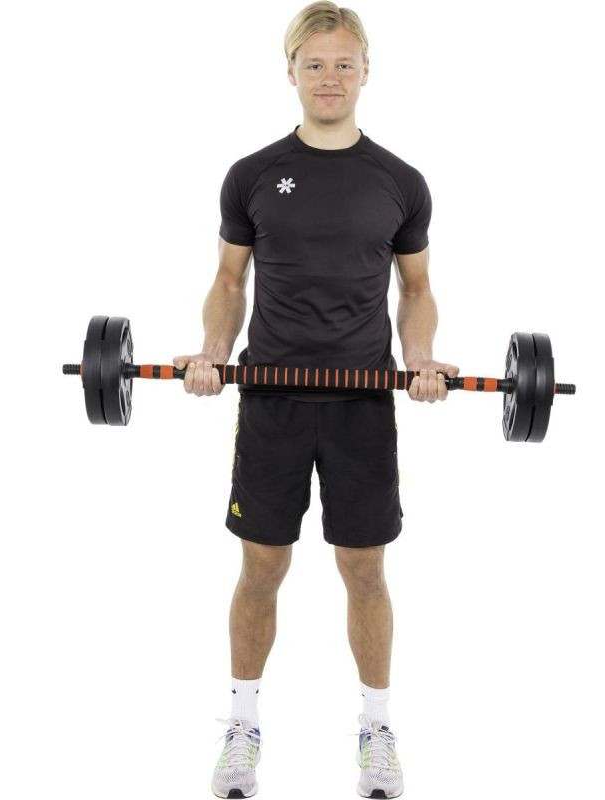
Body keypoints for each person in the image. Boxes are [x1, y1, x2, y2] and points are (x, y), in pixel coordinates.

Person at [173, 3, 458, 797]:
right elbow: (229, 280)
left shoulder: (400, 181)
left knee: (364, 569)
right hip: (272, 398)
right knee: (261, 566)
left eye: (343, 64)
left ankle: (376, 728)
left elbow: (417, 289)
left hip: (363, 400)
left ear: (366, 71)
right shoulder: (252, 174)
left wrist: (420, 358)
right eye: (314, 64)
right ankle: (242, 725)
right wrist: (212, 352)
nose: (329, 78)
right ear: (291, 71)